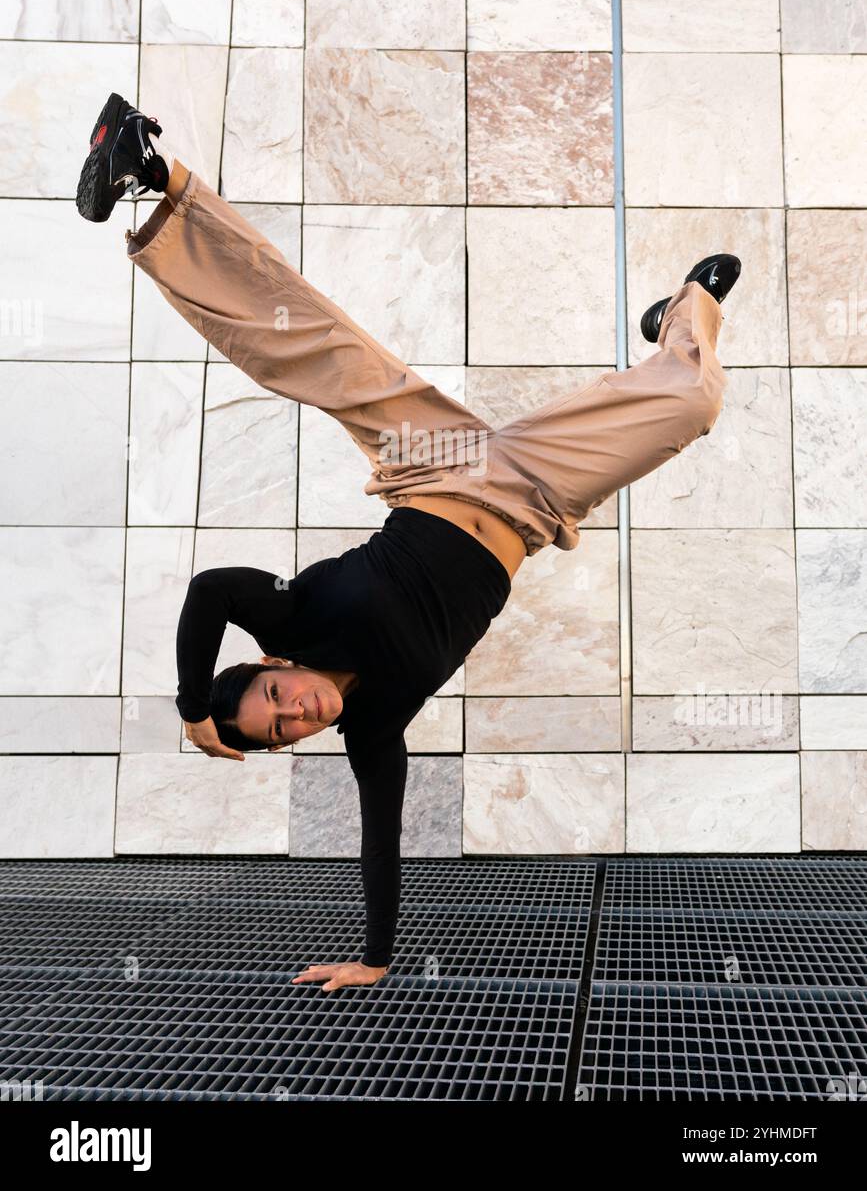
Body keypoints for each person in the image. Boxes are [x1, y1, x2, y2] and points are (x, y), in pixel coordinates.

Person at [76, 92, 741, 992]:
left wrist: (195, 703)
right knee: (691, 403)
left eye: (272, 696)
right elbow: (379, 841)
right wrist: (375, 959)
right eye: (281, 733)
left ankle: (150, 174)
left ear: (271, 662)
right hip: (528, 495)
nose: (295, 712)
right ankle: (683, 313)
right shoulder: (374, 724)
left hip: (430, 466)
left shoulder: (295, 614)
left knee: (307, 339)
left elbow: (209, 590)